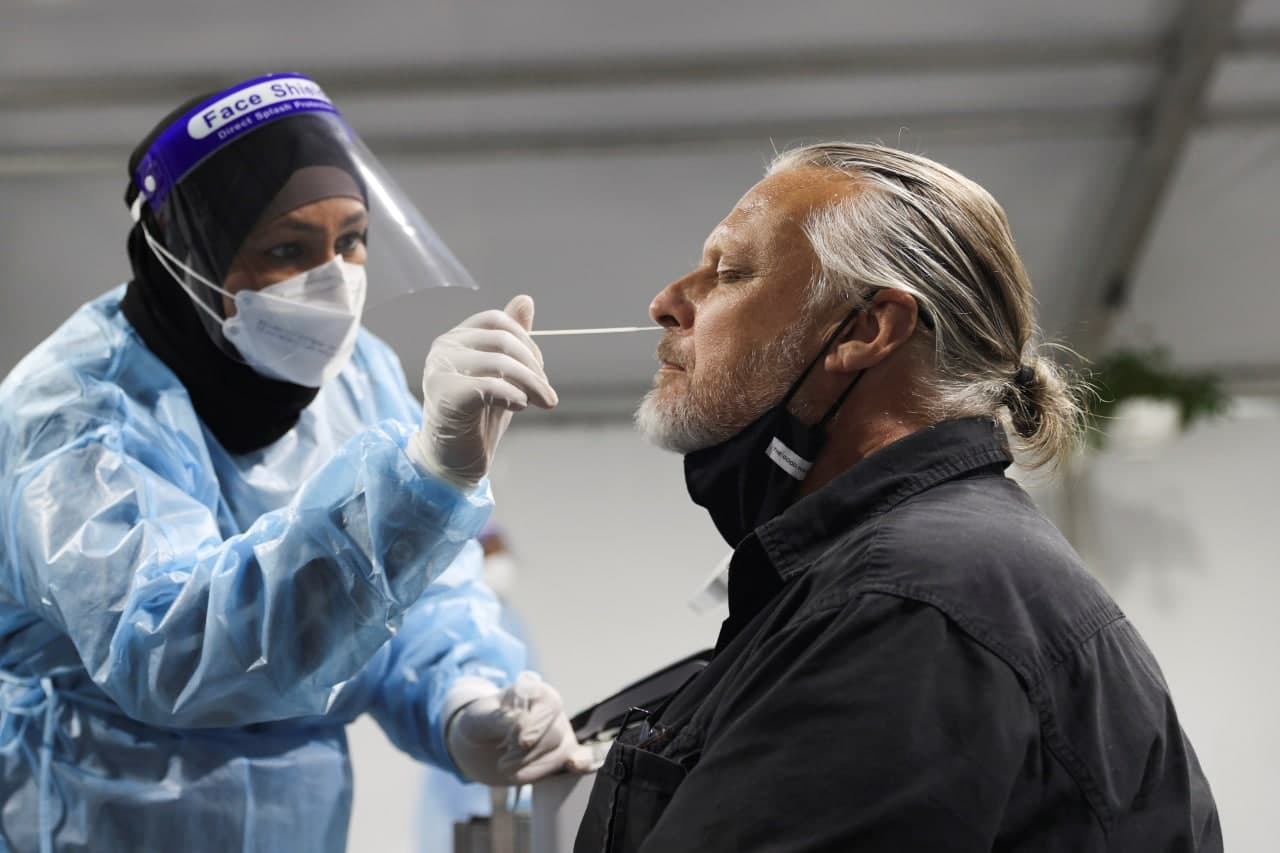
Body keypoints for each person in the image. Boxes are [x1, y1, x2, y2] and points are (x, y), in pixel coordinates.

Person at [0, 73, 590, 853]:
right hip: (87, 818)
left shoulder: (358, 377)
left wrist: (466, 698)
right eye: (287, 250)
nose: (334, 279)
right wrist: (421, 484)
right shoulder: (74, 411)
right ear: (185, 259)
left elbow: (413, 601)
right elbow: (177, 652)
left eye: (352, 241)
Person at [575, 142, 1221, 852]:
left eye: (730, 273)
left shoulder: (908, 602)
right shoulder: (910, 574)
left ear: (866, 329)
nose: (667, 303)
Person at [415, 526, 542, 853]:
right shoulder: (455, 619)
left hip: (514, 787)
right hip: (464, 788)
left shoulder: (512, 622)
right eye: (489, 551)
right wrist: (464, 707)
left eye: (501, 551)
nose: (499, 562)